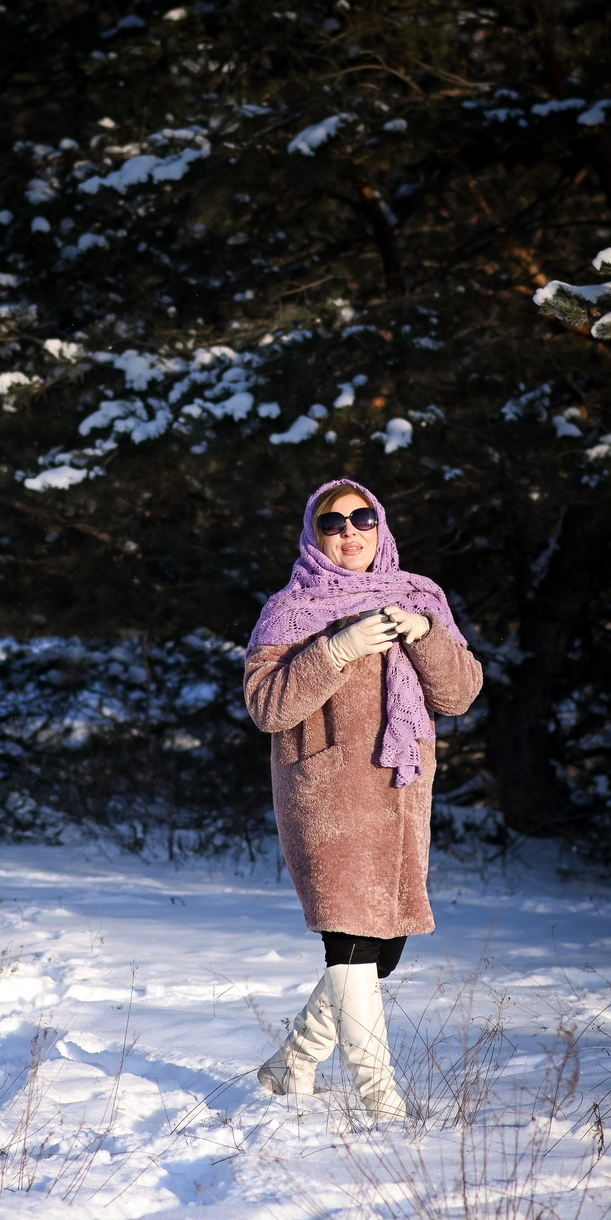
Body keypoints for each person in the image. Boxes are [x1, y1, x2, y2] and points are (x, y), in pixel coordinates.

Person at [242, 478, 483, 1118]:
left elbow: (459, 694)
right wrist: (337, 649)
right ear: (313, 534)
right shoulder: (290, 608)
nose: (348, 533)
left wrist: (427, 632)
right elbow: (268, 706)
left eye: (361, 519)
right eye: (332, 523)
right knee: (348, 941)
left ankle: (292, 1061)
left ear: (380, 525)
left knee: (384, 950)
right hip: (326, 792)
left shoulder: (418, 595)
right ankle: (381, 1099)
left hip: (402, 795)